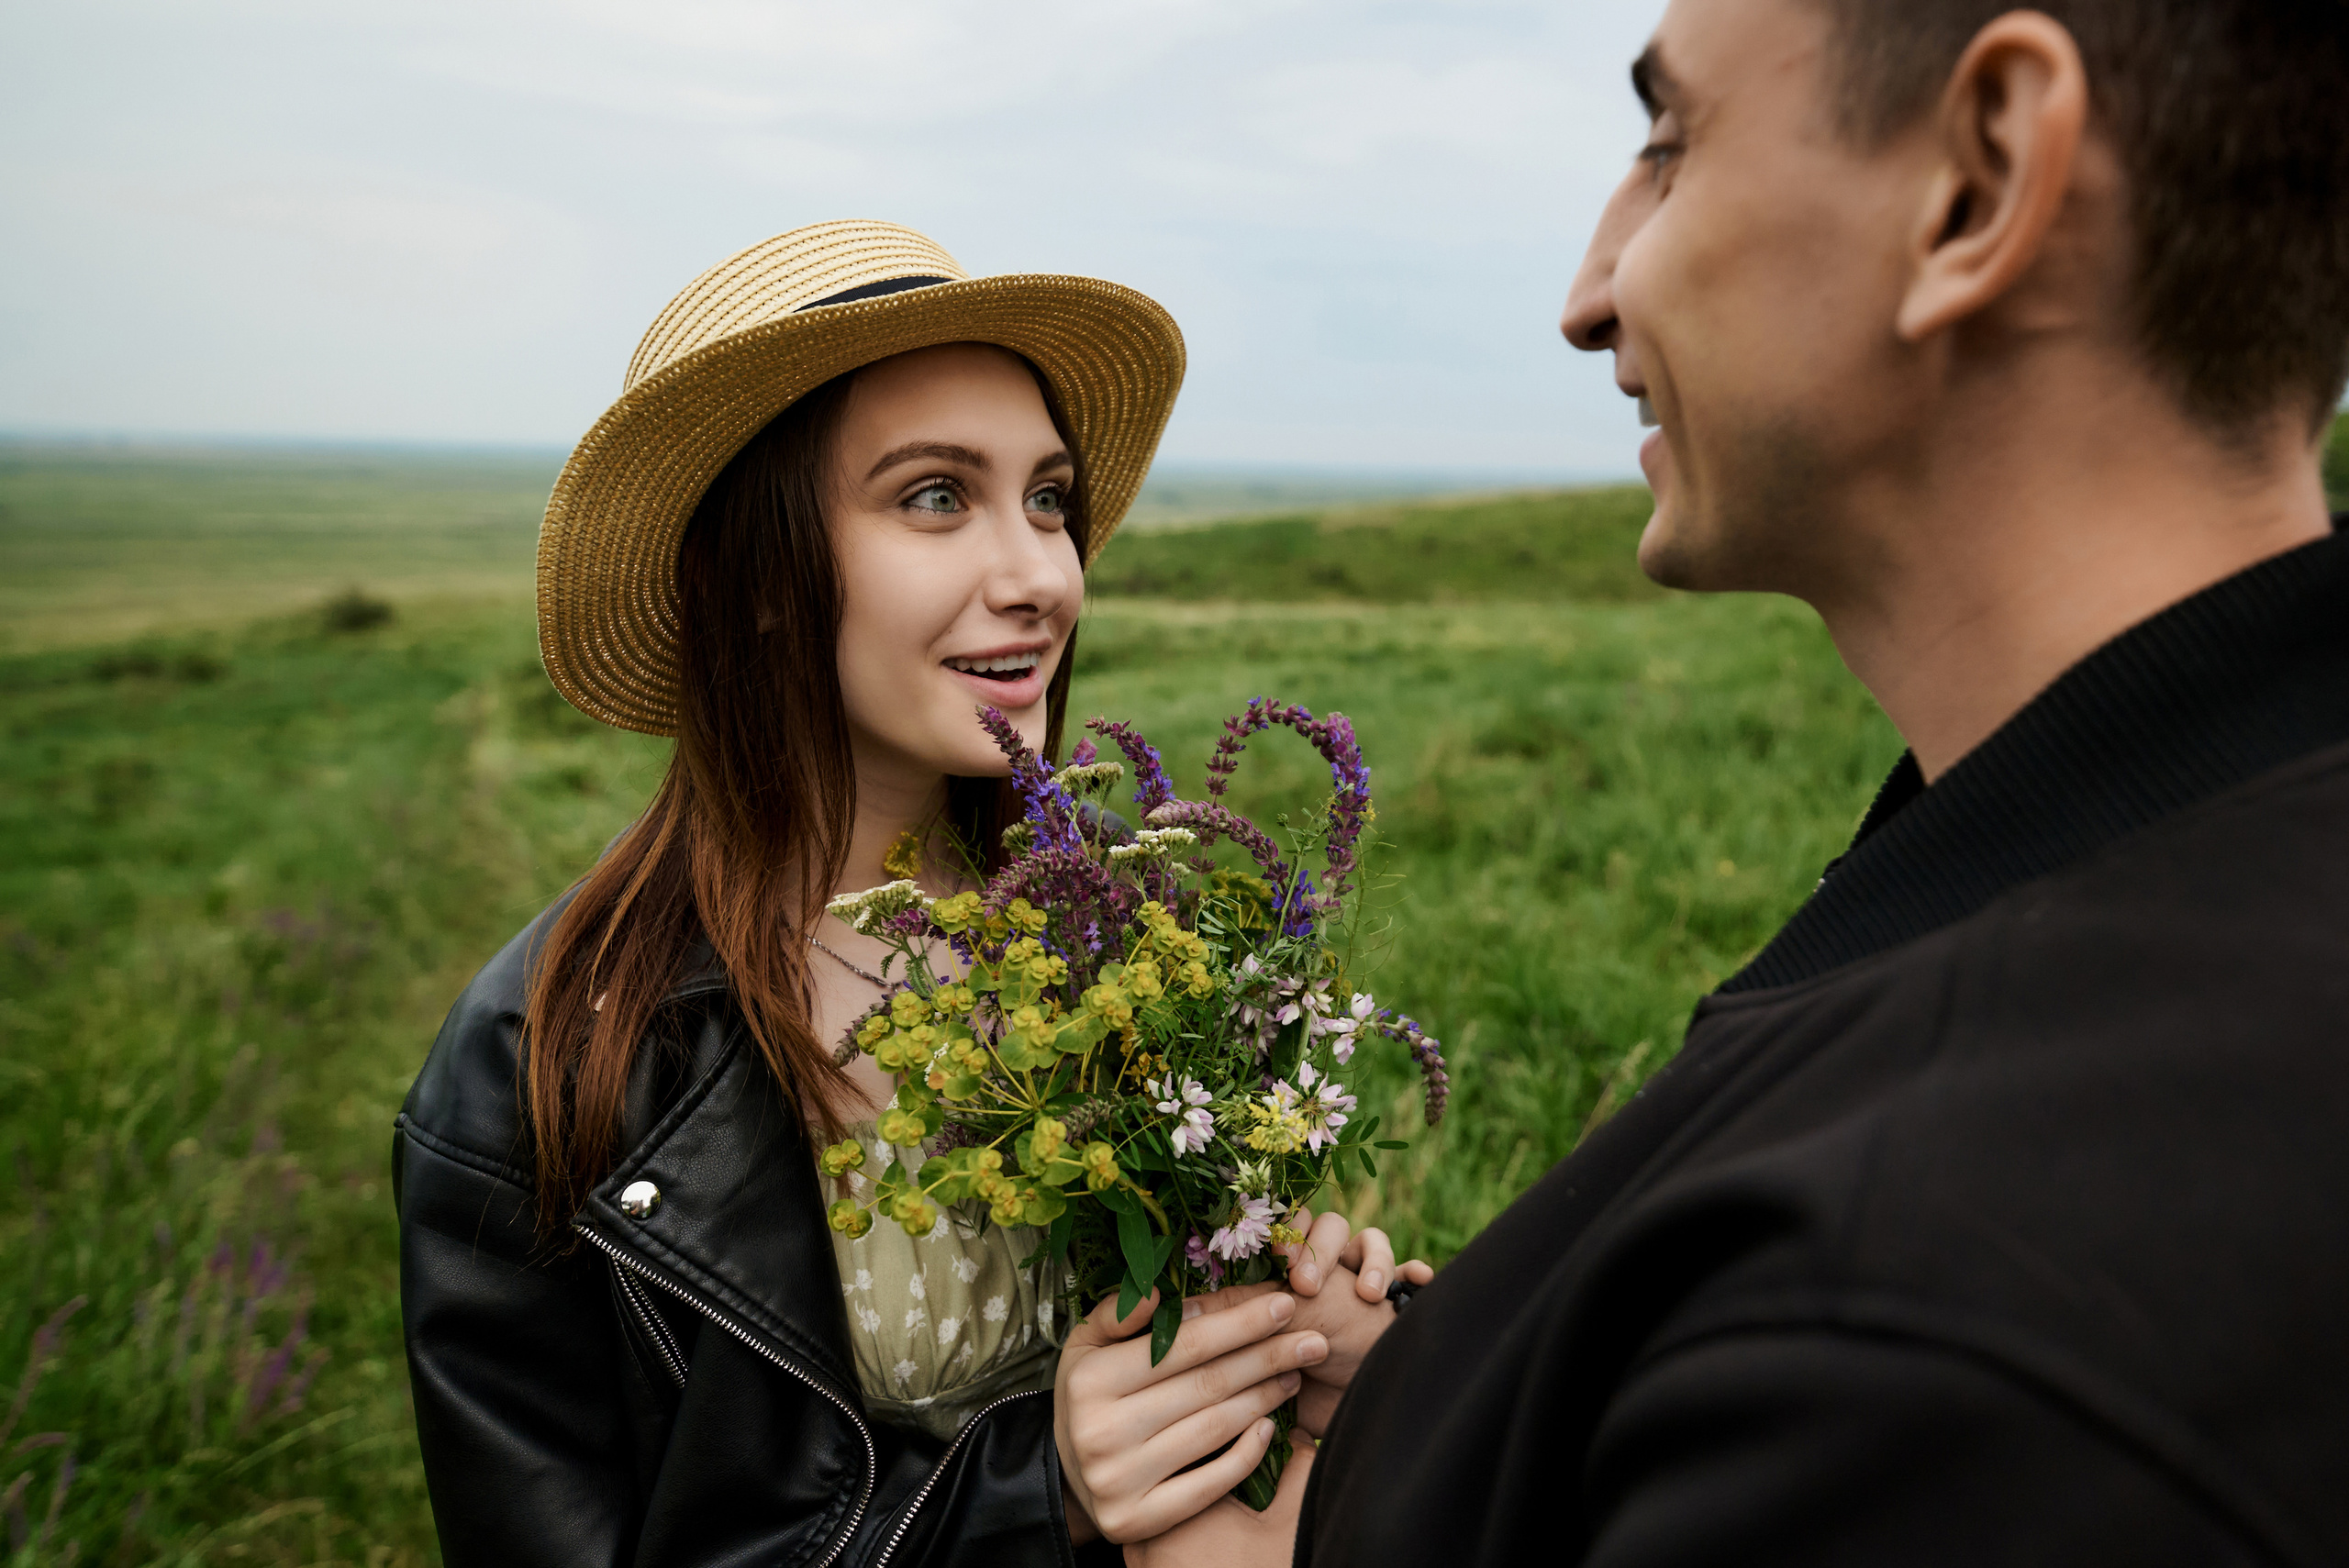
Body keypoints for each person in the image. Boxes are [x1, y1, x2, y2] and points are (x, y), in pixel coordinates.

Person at [1128, 0, 2349, 1562]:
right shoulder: (2147, 884)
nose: (1589, 294)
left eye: (1669, 143)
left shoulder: (1940, 1325)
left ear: (1980, 180)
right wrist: (1441, 1402)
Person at [391, 219, 1423, 1568]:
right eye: (936, 496)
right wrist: (1030, 1492)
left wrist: (1341, 1354)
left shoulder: (1116, 920)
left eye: (1048, 497)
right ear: (756, 580)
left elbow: (1214, 1370)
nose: (1042, 574)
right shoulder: (544, 1069)